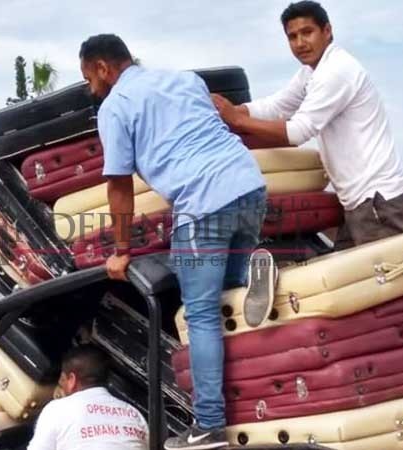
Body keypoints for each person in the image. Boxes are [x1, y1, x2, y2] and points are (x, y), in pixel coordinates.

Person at [79, 34, 275, 449]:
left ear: (102, 67)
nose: (90, 89)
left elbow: (118, 185)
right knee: (229, 301)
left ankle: (209, 425)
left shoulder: (116, 106)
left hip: (202, 204)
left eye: (89, 78)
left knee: (200, 315)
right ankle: (250, 278)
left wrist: (121, 251)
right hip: (249, 187)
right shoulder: (184, 80)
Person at [212, 1, 403, 249]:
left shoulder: (336, 71)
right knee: (350, 276)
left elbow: (298, 131)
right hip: (357, 199)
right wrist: (227, 110)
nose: (299, 43)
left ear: (327, 31)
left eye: (307, 32)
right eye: (292, 36)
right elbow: (278, 105)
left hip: (376, 199)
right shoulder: (312, 72)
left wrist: (238, 119)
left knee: (383, 279)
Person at [27, 345, 148, 450]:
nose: (60, 384)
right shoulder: (135, 415)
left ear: (72, 380)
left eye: (62, 379)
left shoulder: (57, 409)